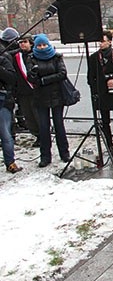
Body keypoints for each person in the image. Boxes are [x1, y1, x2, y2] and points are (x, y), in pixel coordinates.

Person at [26, 34, 70, 167]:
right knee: (44, 127)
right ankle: (45, 156)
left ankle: (64, 153)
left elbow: (62, 74)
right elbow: (31, 78)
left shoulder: (56, 57)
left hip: (57, 96)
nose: (42, 47)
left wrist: (44, 80)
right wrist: (33, 74)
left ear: (48, 45)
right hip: (40, 98)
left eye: (44, 45)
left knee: (59, 125)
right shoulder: (31, 58)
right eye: (39, 45)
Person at [10, 34, 40, 145]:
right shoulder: (16, 56)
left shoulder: (35, 55)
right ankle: (36, 134)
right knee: (29, 116)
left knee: (37, 115)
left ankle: (43, 135)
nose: (22, 44)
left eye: (25, 42)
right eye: (20, 42)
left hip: (35, 91)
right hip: (22, 91)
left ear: (31, 43)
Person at [0, 29, 22, 173]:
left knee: (6, 134)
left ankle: (10, 162)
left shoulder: (4, 57)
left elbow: (11, 78)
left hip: (2, 99)